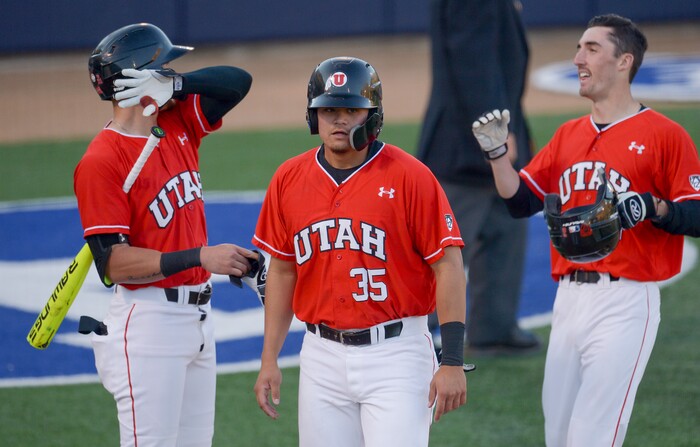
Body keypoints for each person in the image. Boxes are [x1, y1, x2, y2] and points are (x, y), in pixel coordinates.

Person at [471, 14, 700, 446]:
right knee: (557, 436)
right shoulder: (568, 135)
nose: (578, 58)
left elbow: (696, 212)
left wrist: (655, 206)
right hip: (570, 301)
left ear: (624, 61)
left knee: (592, 437)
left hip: (625, 301)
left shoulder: (665, 135)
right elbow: (522, 202)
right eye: (579, 48)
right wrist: (499, 157)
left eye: (592, 49)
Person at [252, 56, 468, 446]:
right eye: (328, 110)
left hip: (396, 355)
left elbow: (448, 265)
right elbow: (283, 270)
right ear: (312, 116)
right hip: (321, 355)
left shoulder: (410, 176)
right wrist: (270, 358)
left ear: (373, 116)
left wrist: (452, 359)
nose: (339, 120)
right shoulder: (288, 178)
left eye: (352, 110)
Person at [74, 23, 256, 447]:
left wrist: (177, 83)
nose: (174, 71)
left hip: (198, 321)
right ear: (140, 75)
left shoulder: (175, 125)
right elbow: (114, 265)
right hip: (149, 325)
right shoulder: (101, 160)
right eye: (166, 65)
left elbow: (237, 83)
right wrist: (199, 257)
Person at [417, 0, 540, 355]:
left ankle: (494, 327)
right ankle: (411, 331)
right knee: (443, 243)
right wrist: (494, 130)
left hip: (487, 132)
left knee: (505, 223)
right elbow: (472, 60)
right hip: (466, 140)